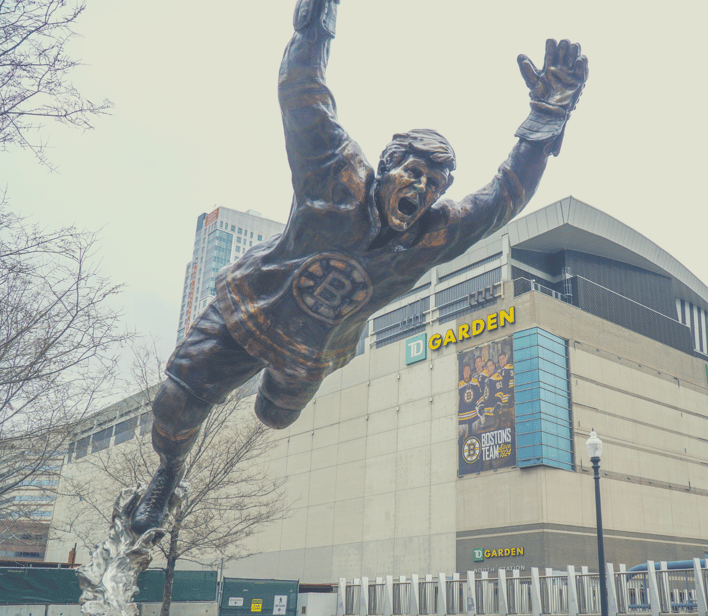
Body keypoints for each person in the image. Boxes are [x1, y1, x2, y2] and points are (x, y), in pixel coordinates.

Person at [130, 0, 588, 534]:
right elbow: (302, 88)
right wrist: (319, 12)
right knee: (175, 403)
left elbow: (504, 196)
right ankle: (166, 476)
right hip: (253, 306)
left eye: (435, 185)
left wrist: (547, 116)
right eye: (415, 174)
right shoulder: (336, 176)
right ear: (387, 167)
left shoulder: (431, 236)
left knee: (273, 417)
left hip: (312, 350)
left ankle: (267, 388)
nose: (422, 189)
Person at [458, 363, 483, 440]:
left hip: (473, 416)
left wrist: (481, 409)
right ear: (463, 372)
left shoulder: (474, 382)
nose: (467, 372)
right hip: (462, 418)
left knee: (475, 438)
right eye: (465, 370)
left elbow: (479, 396)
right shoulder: (459, 385)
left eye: (468, 370)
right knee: (462, 441)